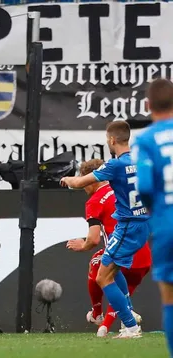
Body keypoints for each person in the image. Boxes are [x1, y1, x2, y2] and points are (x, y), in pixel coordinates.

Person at [60, 120, 150, 338]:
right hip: (142, 224)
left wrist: (67, 179)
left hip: (127, 226)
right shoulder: (140, 160)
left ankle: (130, 325)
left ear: (111, 140)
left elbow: (82, 182)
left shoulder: (115, 165)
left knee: (103, 277)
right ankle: (129, 319)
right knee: (110, 271)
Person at [131, 78, 173, 354]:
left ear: (148, 105)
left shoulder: (145, 140)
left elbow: (144, 185)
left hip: (166, 225)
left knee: (169, 297)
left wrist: (149, 208)